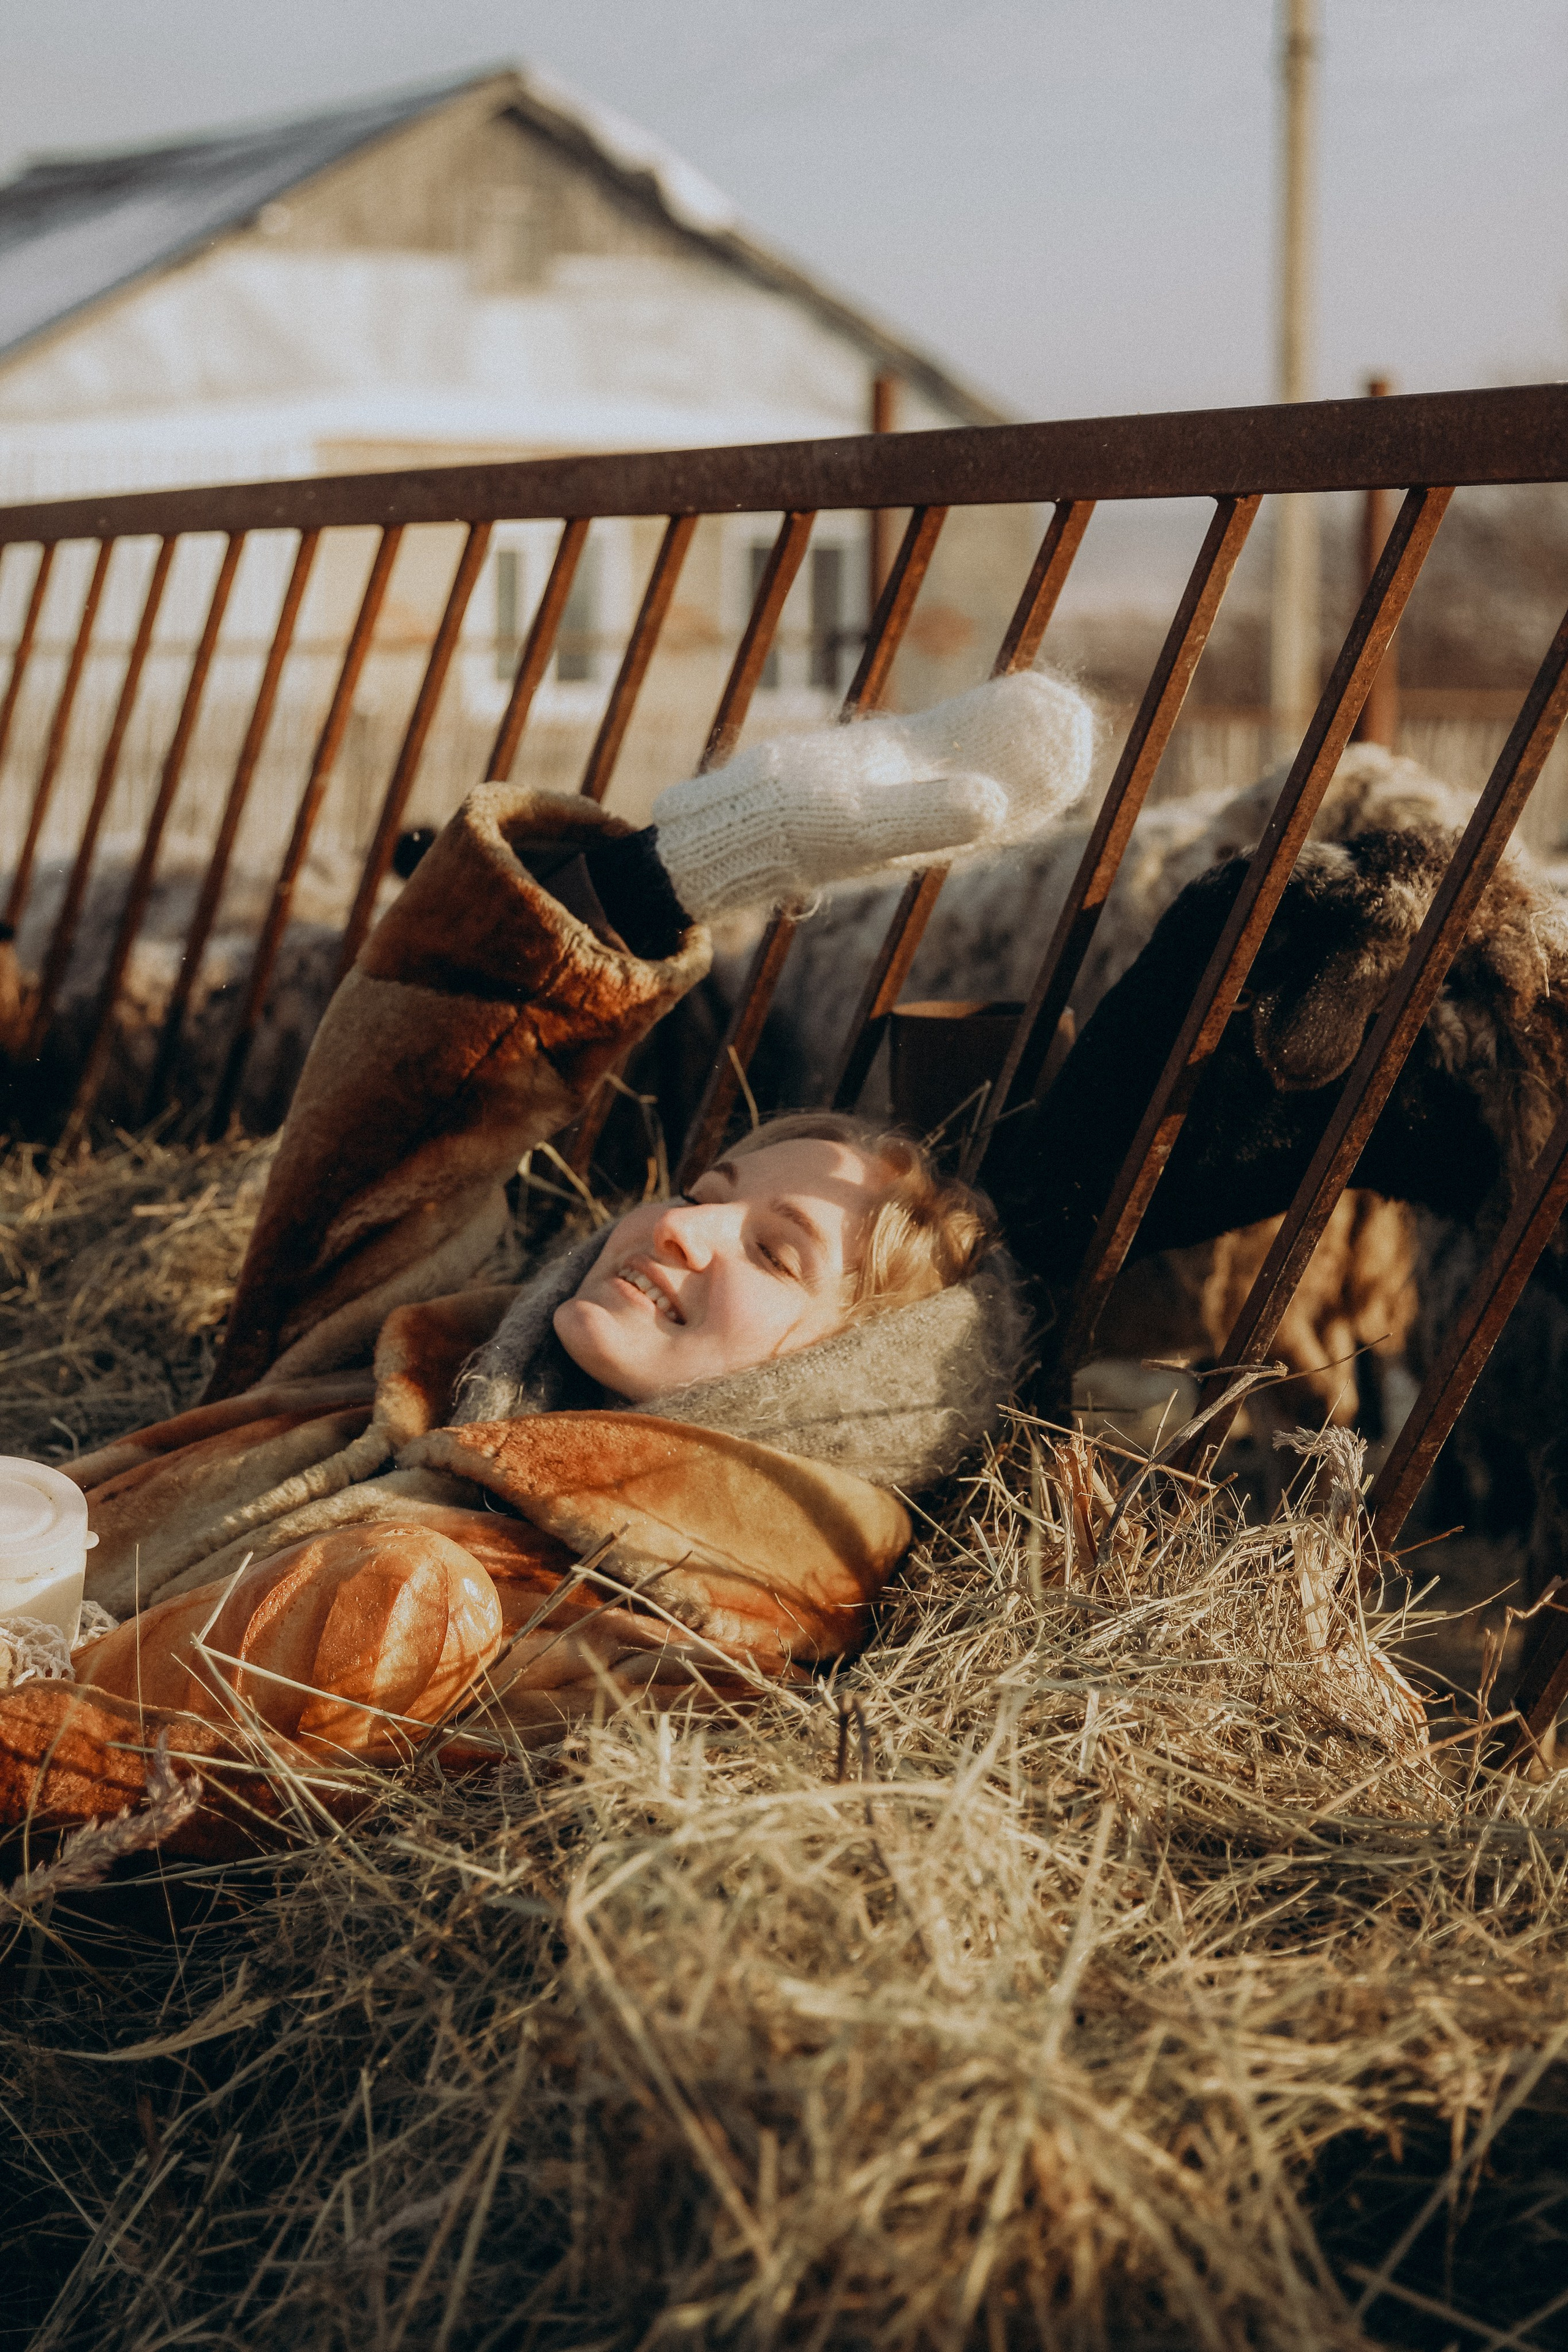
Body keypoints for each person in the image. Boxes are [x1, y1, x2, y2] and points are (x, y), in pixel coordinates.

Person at [0, 670, 1092, 1856]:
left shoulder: (632, 1633)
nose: (680, 1227)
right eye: (701, 1192)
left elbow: (129, 1797)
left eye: (774, 1254)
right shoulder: (441, 1358)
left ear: (845, 1390)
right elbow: (408, 1105)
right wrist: (682, 868)